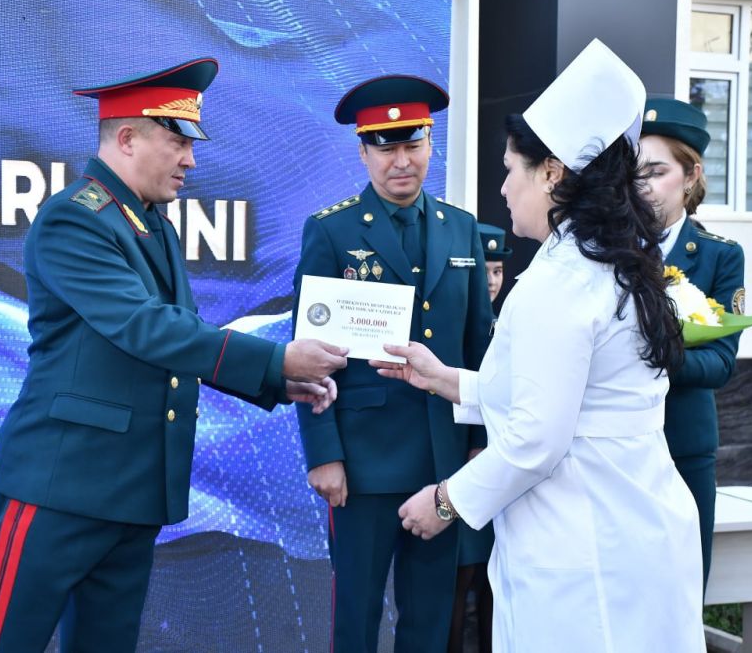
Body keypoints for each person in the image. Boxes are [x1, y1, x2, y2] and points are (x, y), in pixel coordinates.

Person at [0, 58, 348, 653]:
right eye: (179, 142)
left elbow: (179, 335)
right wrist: (275, 362)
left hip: (130, 494)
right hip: (58, 491)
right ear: (126, 138)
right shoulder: (74, 219)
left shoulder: (152, 225)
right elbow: (146, 328)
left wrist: (278, 381)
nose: (190, 160)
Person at [372, 40, 707, 651]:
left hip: (584, 545)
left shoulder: (561, 282)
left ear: (552, 172)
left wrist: (445, 502)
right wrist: (444, 379)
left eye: (510, 169)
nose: (502, 189)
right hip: (630, 526)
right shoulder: (608, 263)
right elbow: (566, 396)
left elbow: (536, 438)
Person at [293, 75, 493, 652]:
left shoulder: (461, 228)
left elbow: (479, 344)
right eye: (386, 148)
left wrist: (479, 443)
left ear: (431, 144)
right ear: (363, 152)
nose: (401, 161)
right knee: (355, 619)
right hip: (362, 464)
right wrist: (324, 453)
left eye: (413, 144)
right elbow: (310, 358)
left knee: (431, 620)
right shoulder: (331, 231)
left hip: (442, 460)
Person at [640, 97, 746, 588]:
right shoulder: (602, 251)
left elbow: (720, 363)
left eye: (656, 171)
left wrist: (654, 355)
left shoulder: (719, 256)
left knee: (681, 587)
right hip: (611, 446)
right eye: (632, 173)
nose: (641, 185)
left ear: (690, 175)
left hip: (683, 444)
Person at [447, 222, 508, 653]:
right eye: (483, 270)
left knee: (493, 579)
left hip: (507, 468)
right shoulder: (457, 323)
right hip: (464, 462)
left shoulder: (515, 320)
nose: (490, 281)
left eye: (498, 271)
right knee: (461, 573)